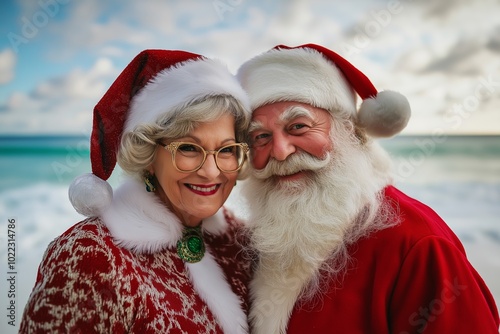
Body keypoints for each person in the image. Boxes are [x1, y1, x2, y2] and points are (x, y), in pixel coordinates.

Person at [237, 43, 499, 333]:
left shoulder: (417, 244)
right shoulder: (268, 237)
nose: (281, 151)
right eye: (260, 136)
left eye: (298, 127)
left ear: (349, 130)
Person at [20, 49, 252, 333]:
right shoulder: (91, 256)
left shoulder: (239, 241)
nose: (211, 171)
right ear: (150, 156)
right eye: (189, 148)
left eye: (226, 150)